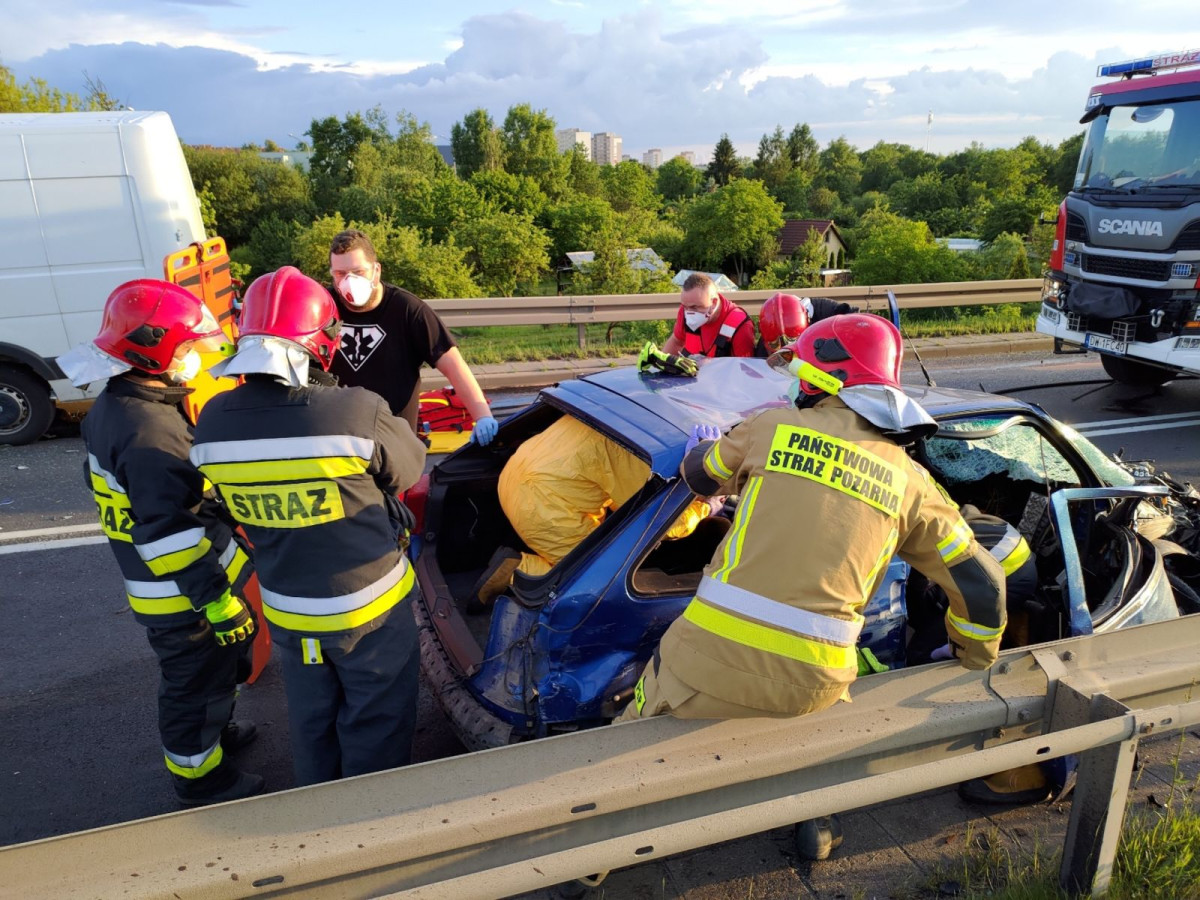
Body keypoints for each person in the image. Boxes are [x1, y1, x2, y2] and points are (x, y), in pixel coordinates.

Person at [617, 313, 1006, 860]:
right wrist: (970, 654)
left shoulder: (770, 427)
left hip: (706, 659)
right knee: (809, 740)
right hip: (815, 682)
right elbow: (983, 584)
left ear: (819, 382)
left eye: (800, 372)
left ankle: (588, 863)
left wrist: (714, 449)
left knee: (621, 754)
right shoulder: (912, 482)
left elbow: (700, 475)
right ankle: (817, 830)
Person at [191, 266, 428, 786]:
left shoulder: (211, 423)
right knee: (377, 723)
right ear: (321, 342)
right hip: (370, 611)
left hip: (289, 611)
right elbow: (409, 471)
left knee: (312, 722)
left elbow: (217, 507)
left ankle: (319, 814)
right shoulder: (355, 411)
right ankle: (371, 826)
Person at [56, 280, 263, 807]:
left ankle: (215, 736)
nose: (197, 358)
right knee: (194, 685)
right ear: (156, 348)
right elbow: (168, 532)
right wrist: (216, 601)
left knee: (219, 674)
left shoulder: (120, 406)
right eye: (190, 348)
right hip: (183, 598)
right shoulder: (149, 432)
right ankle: (200, 778)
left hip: (176, 588)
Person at [470, 415, 719, 612]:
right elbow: (663, 522)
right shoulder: (632, 455)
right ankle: (516, 569)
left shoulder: (613, 417)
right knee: (587, 582)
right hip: (543, 510)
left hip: (512, 478)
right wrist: (705, 506)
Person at [327, 229, 497, 444]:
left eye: (358, 272)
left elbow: (453, 365)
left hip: (395, 440)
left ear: (376, 271)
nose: (349, 281)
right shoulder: (321, 307)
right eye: (340, 274)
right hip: (338, 436)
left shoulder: (408, 310)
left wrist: (482, 416)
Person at [661, 272, 755, 359]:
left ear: (713, 302)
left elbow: (744, 370)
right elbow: (676, 342)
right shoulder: (686, 309)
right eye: (685, 306)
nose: (689, 313)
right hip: (691, 375)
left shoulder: (740, 325)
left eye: (695, 307)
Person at [755, 293, 856, 357]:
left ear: (807, 320)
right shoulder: (765, 344)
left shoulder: (825, 312)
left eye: (792, 341)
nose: (786, 352)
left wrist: (833, 347)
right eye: (775, 344)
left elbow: (855, 322)